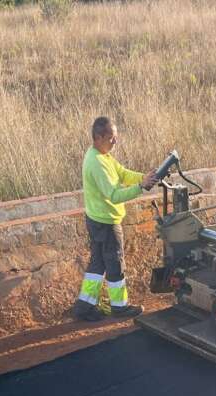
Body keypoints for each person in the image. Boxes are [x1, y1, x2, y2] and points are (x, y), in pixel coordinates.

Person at [73, 116, 158, 321]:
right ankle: (120, 307)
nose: (115, 142)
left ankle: (84, 306)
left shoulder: (102, 156)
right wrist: (140, 187)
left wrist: (143, 177)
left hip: (98, 220)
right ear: (99, 137)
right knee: (115, 265)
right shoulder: (97, 163)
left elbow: (122, 173)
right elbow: (113, 195)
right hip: (106, 223)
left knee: (98, 265)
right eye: (112, 138)